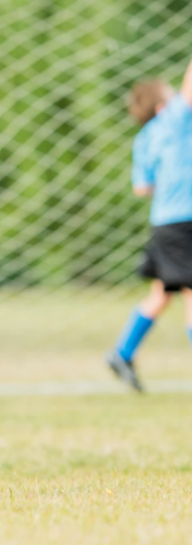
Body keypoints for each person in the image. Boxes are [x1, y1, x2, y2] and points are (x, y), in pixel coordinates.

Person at [105, 55, 192, 393]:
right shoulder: (174, 121)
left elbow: (142, 187)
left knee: (162, 292)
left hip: (163, 223)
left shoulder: (144, 138)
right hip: (184, 221)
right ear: (161, 107)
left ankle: (122, 353)